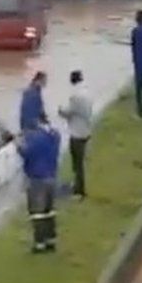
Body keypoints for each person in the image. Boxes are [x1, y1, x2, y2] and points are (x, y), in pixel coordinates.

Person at [18, 115, 61, 253]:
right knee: (49, 211)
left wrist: (18, 145)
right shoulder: (54, 136)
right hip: (51, 176)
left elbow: (27, 153)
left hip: (37, 178)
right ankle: (51, 241)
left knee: (38, 213)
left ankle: (39, 243)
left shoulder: (35, 138)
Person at [58, 70, 93, 199]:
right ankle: (78, 186)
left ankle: (79, 191)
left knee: (77, 164)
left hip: (77, 133)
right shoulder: (87, 92)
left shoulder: (76, 96)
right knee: (80, 162)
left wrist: (60, 111)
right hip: (86, 130)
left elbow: (68, 112)